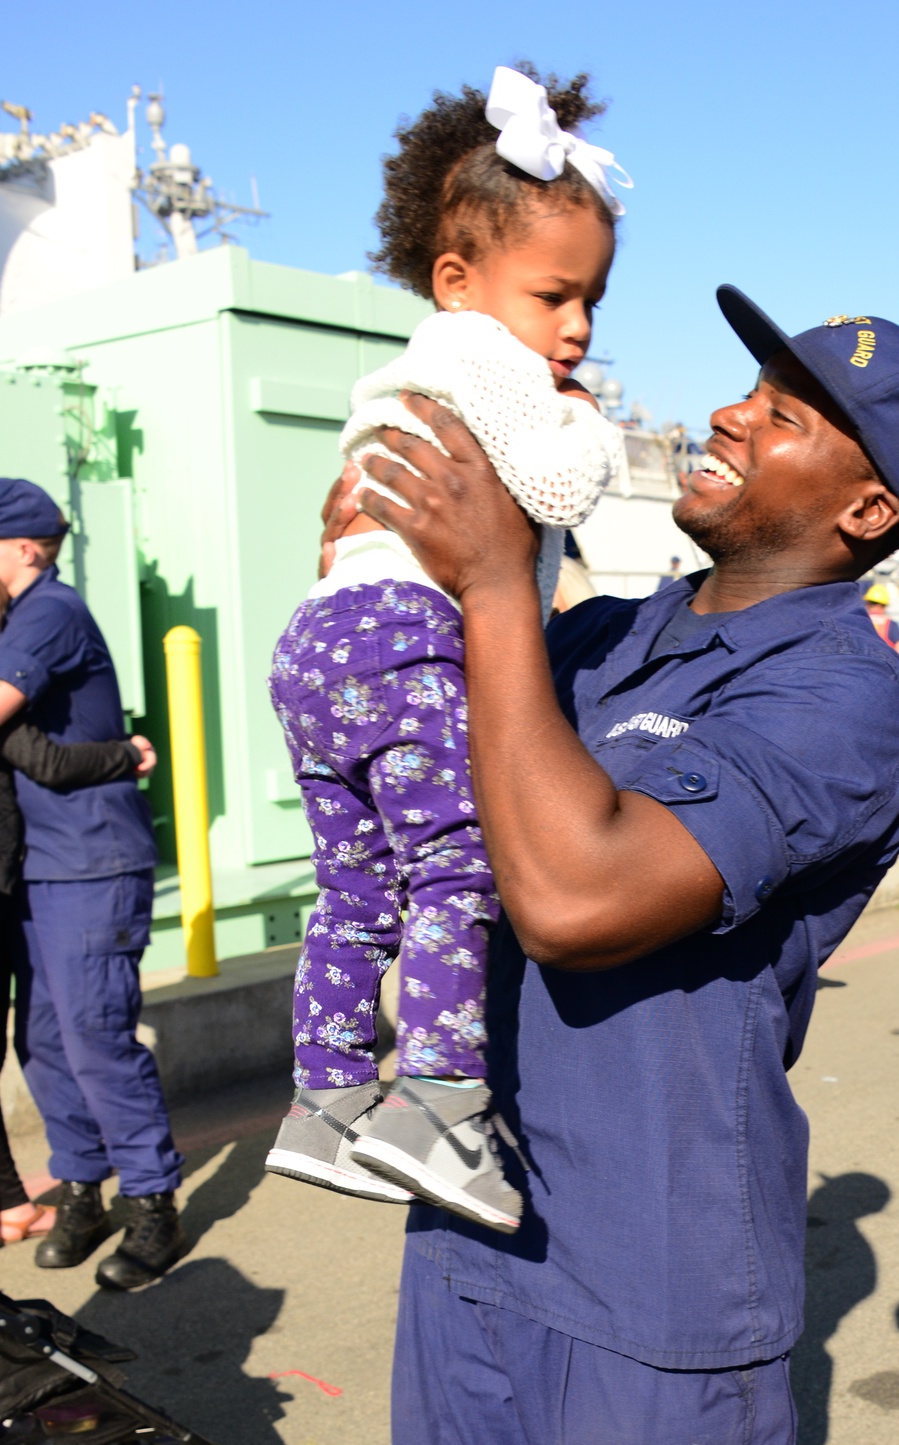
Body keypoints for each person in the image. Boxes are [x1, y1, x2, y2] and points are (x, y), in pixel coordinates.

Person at [322, 287, 899, 1445]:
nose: (725, 414)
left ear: (867, 509)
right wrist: (372, 567)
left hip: (649, 1278)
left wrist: (500, 587)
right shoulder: (601, 634)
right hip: (472, 1222)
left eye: (781, 416)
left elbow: (575, 902)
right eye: (748, 388)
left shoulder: (844, 697)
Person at [265, 66, 627, 1233]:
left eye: (593, 304)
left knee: (353, 886)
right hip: (404, 638)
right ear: (459, 283)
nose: (573, 328)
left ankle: (324, 1100)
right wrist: (591, 426)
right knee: (458, 869)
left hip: (319, 643)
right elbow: (559, 480)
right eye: (555, 295)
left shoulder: (404, 373)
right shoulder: (480, 358)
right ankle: (435, 1102)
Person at [0, 478, 185, 1290]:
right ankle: (82, 1186)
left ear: (26, 548)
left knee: (96, 1034)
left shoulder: (50, 612)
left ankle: (151, 1202)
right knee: (40, 1038)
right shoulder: (22, 613)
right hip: (43, 864)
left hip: (92, 862)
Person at [863, 581, 899, 656]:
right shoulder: (890, 624)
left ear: (868, 604)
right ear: (885, 606)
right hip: (884, 665)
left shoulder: (861, 622)